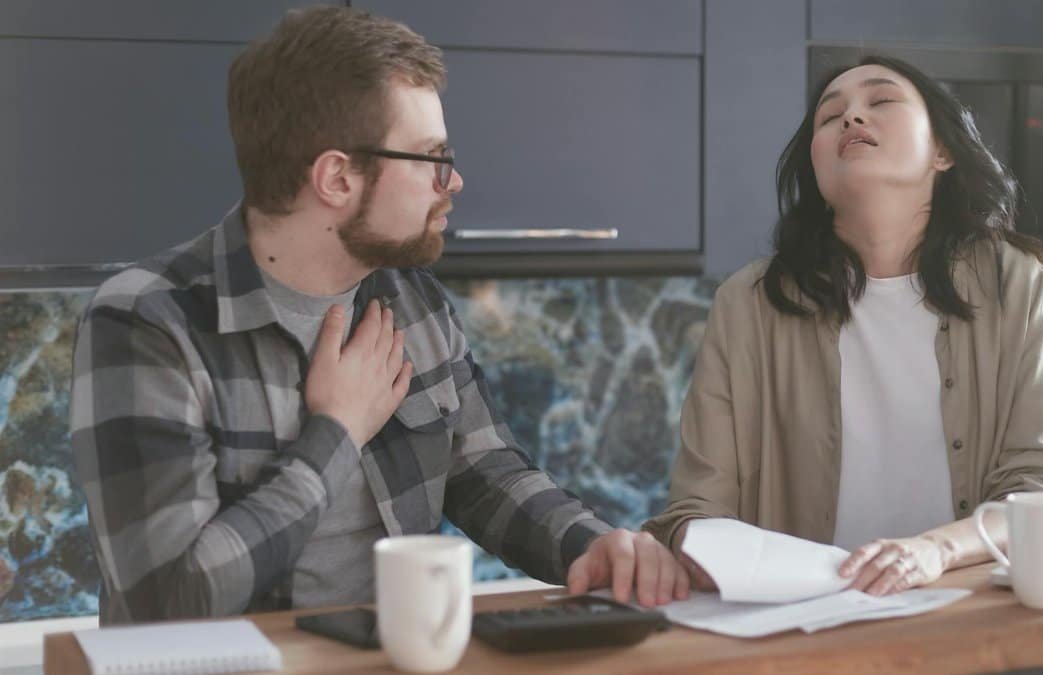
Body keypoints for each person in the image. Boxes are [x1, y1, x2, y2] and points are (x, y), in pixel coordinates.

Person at [70, 6, 686, 625]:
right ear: (337, 178)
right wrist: (336, 433)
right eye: (432, 158)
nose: (455, 182)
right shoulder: (147, 320)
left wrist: (590, 544)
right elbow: (169, 597)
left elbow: (483, 469)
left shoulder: (409, 297)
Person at [643, 55, 1043, 596]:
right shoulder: (748, 303)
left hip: (963, 607)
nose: (852, 119)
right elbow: (697, 508)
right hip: (799, 619)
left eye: (880, 102)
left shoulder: (1011, 280)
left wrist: (935, 550)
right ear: (815, 167)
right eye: (830, 117)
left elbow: (1042, 478)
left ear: (942, 151)